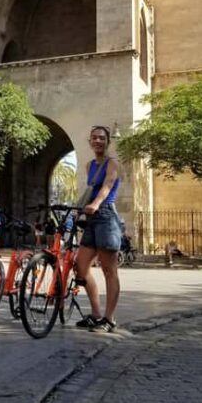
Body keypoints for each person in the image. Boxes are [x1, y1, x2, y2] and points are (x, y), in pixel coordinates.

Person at [74, 126, 122, 333]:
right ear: (90, 141)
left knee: (109, 270)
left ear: (107, 141)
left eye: (102, 138)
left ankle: (109, 318)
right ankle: (95, 313)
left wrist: (96, 203)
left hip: (106, 216)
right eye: (94, 137)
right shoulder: (89, 166)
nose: (98, 141)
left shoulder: (113, 164)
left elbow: (107, 186)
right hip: (92, 219)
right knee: (81, 268)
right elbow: (89, 190)